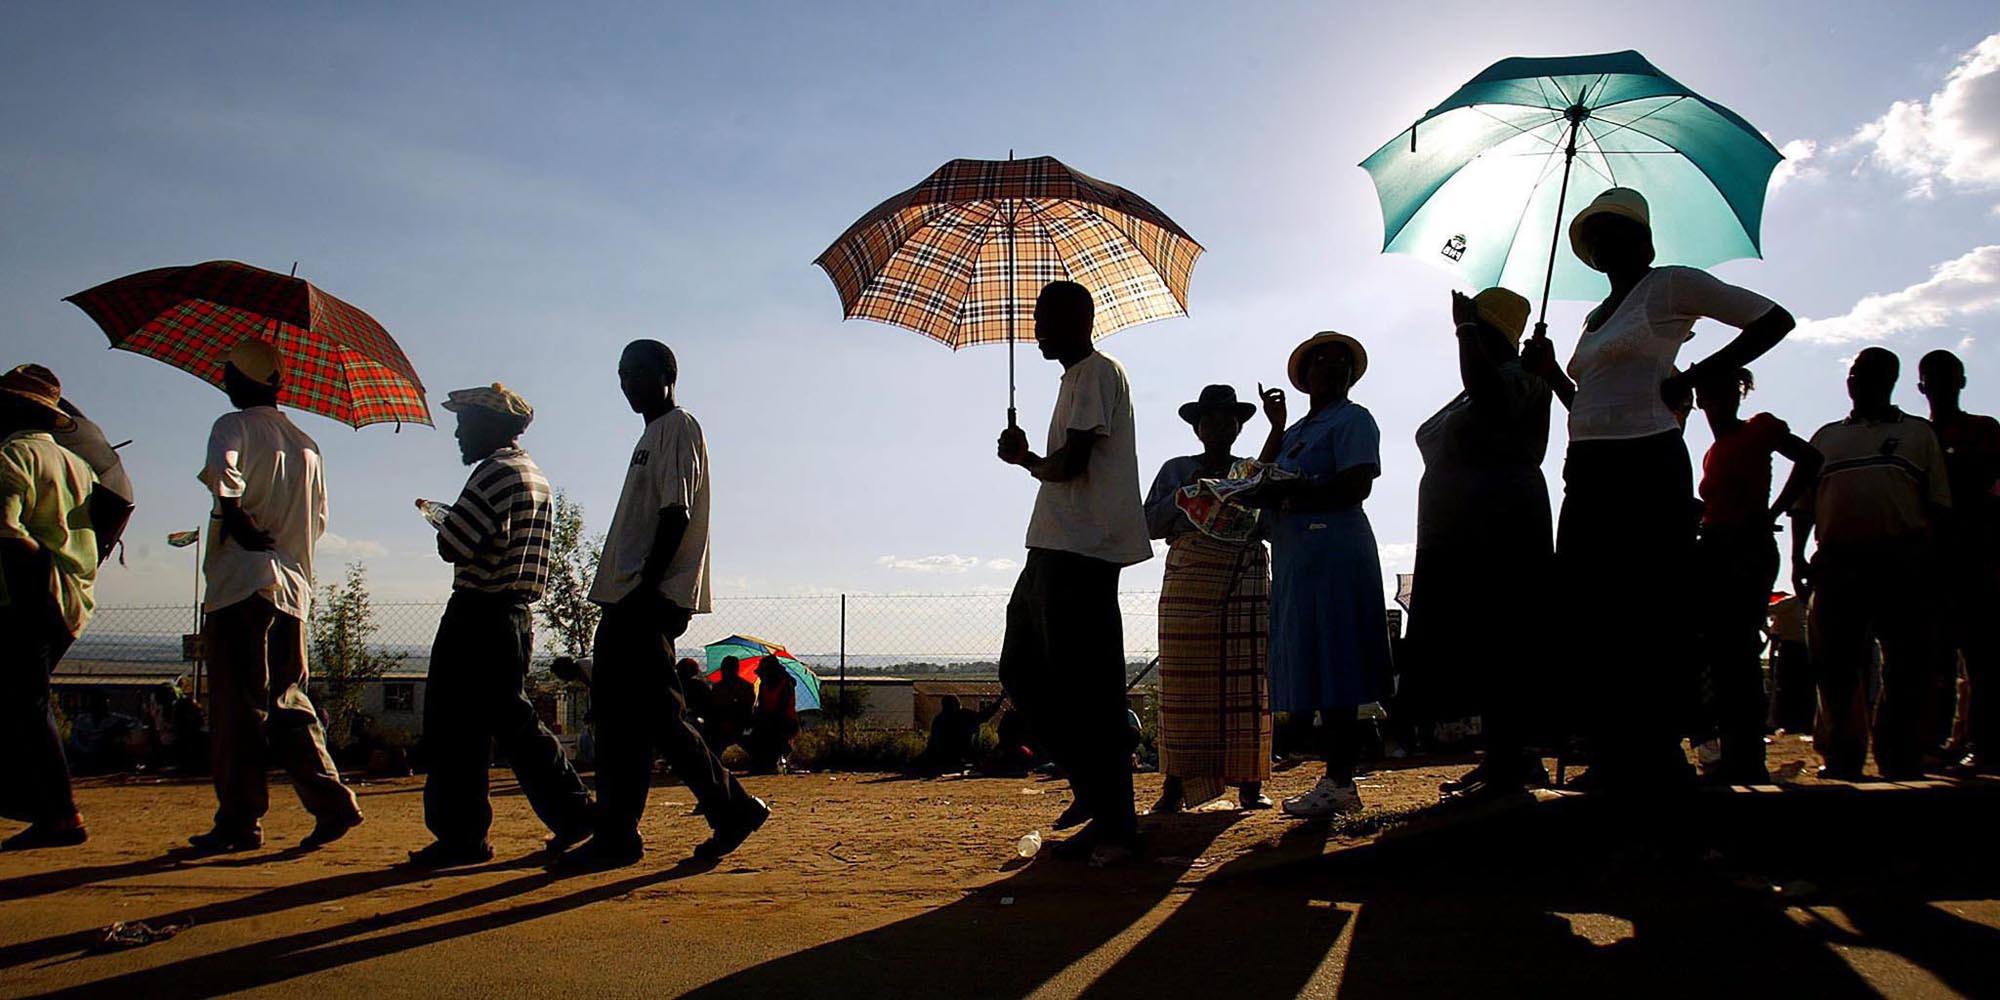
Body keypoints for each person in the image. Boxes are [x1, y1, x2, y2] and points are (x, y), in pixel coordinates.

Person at [1523, 187, 1796, 792]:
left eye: (1614, 231)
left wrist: (1696, 376)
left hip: (1646, 460)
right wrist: (1549, 376)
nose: (1602, 243)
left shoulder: (1671, 284)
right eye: (1593, 236)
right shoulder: (1596, 318)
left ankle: (1656, 751)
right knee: (1595, 608)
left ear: (1642, 240)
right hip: (1587, 467)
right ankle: (1614, 746)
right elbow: (1589, 404)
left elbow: (1774, 319)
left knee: (1650, 605)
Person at [566, 339, 767, 868]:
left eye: (637, 372)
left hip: (642, 597)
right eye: (621, 374)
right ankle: (627, 831)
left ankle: (723, 810)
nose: (627, 382)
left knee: (648, 717)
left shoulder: (677, 428)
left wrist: (644, 589)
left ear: (666, 374)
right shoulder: (652, 435)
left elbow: (675, 513)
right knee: (629, 719)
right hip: (631, 596)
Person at [995, 280, 1153, 864]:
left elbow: (1072, 463)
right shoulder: (1078, 378)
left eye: (1044, 319)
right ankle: (1096, 794)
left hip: (1079, 551)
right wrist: (1033, 457)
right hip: (1058, 546)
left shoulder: (1094, 373)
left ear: (1076, 320)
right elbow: (1070, 463)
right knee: (1030, 671)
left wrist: (1027, 459)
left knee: (1080, 685)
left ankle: (1114, 819)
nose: (1035, 330)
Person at [409, 384, 595, 868]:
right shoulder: (534, 476)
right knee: (513, 722)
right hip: (514, 615)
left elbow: (457, 545)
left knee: (453, 727)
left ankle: (462, 835)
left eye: (464, 422)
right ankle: (573, 812)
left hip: (478, 613)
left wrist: (443, 522)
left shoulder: (491, 474)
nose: (457, 433)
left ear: (490, 426)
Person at [189, 339, 363, 853]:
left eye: (226, 373)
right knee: (289, 700)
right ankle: (332, 800)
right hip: (293, 593)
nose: (222, 381)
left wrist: (236, 512)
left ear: (240, 380)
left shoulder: (233, 426)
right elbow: (320, 521)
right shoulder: (308, 444)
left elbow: (224, 468)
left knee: (236, 709)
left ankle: (240, 820)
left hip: (241, 587)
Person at [1399, 288, 1554, 799]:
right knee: (1478, 644)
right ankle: (1502, 757)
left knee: (1502, 637)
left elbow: (1491, 399)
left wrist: (1464, 330)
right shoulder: (1480, 383)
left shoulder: (1520, 375)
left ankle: (1514, 759)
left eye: (1476, 327)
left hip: (1499, 528)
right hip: (1456, 532)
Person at [1248, 330, 1394, 818]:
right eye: (1321, 361)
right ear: (1304, 377)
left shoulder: (1354, 420)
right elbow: (1259, 479)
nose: (1331, 367)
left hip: (1334, 552)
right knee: (1312, 658)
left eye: (1340, 361)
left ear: (1351, 376)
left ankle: (1340, 779)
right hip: (1298, 558)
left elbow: (1355, 484)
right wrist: (1276, 426)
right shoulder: (1296, 433)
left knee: (1337, 660)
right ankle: (1334, 777)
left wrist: (1289, 495)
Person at [1792, 348, 1952, 780]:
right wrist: (1796, 558)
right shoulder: (1826, 437)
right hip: (1837, 561)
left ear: (1891, 379)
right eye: (1856, 373)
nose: (1859, 381)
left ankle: (1899, 755)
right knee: (1834, 664)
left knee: (1906, 664)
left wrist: (1932, 564)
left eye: (1870, 374)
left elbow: (1938, 506)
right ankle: (1842, 756)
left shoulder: (1918, 435)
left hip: (1902, 559)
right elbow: (1805, 506)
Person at [1142, 384, 1273, 813]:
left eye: (1227, 419)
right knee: (1183, 683)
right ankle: (1176, 785)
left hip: (1243, 575)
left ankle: (1250, 782)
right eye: (1210, 419)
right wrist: (1190, 499)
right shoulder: (1177, 469)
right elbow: (1149, 523)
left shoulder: (1250, 470)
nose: (1219, 426)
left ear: (1237, 426)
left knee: (1247, 680)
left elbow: (1267, 520)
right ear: (1198, 429)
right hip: (1191, 576)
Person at [1691, 367, 1821, 783]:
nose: (1720, 400)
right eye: (1712, 393)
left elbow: (1810, 459)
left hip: (1745, 550)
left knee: (1738, 652)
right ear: (1701, 402)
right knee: (1720, 653)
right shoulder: (1714, 451)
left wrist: (1774, 511)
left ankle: (1745, 756)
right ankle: (1732, 752)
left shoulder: (1759, 429)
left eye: (1729, 390)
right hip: (1715, 547)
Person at [0, 364, 99, 849]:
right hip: (73, 600)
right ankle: (37, 803)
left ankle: (60, 813)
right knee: (23, 702)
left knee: (26, 704)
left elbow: (8, 532)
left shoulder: (12, 456)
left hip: (28, 597)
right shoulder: (79, 467)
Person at [1917, 350, 2000, 772]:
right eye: (1934, 377)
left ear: (1961, 382)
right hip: (1935, 562)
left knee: (1980, 659)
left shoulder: (1983, 431)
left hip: (1974, 557)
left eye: (1947, 376)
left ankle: (1982, 745)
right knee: (1938, 660)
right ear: (1922, 387)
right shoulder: (1920, 437)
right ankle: (1940, 742)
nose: (1941, 384)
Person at [914, 694, 1004, 775]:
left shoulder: (939, 719)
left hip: (937, 755)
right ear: (957, 705)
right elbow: (985, 715)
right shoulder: (963, 715)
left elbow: (933, 741)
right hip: (959, 755)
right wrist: (1000, 700)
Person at [1765, 592, 1815, 735]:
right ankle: (1782, 721)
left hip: (1806, 649)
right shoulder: (1792, 602)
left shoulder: (1813, 603)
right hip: (1791, 648)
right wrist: (1769, 633)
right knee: (1786, 686)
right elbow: (1768, 609)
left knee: (1805, 687)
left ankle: (1802, 722)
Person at [746, 657, 799, 775]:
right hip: (769, 719)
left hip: (786, 721)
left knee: (770, 732)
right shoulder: (763, 684)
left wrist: (765, 718)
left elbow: (781, 709)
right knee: (757, 733)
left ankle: (771, 762)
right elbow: (761, 705)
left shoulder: (786, 685)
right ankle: (761, 763)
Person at [705, 658, 756, 756]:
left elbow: (713, 707)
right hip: (737, 724)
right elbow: (748, 708)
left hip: (727, 724)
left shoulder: (718, 687)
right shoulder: (746, 686)